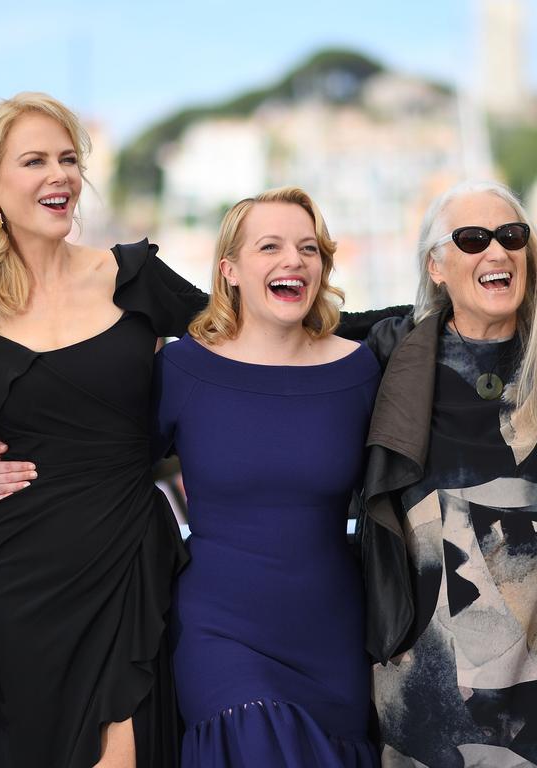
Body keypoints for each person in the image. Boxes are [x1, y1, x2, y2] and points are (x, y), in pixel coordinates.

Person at [0, 92, 209, 767]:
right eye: (35, 161)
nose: (60, 175)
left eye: (69, 159)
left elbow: (250, 340)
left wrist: (403, 326)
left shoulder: (131, 277)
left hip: (131, 572)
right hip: (21, 599)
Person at [360, 181, 537, 766]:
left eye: (510, 236)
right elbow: (286, 343)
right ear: (435, 267)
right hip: (424, 684)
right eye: (472, 239)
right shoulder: (389, 357)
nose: (496, 252)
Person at [154, 187, 380, 766]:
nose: (293, 260)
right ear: (229, 270)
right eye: (270, 246)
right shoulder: (182, 367)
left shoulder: (359, 370)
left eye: (309, 248)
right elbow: (101, 461)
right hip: (220, 632)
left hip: (333, 636)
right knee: (254, 737)